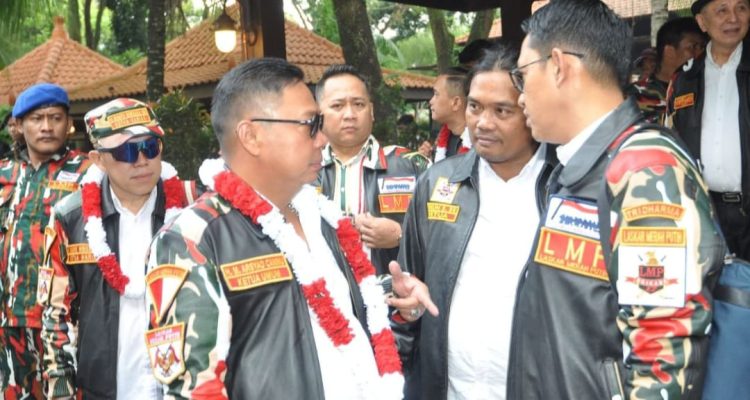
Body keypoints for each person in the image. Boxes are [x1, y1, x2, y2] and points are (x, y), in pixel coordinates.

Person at [144, 58, 433, 399]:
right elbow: (195, 390)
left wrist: (394, 295)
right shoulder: (194, 239)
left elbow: (330, 308)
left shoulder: (322, 217)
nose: (322, 138)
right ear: (251, 136)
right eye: (310, 124)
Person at [508, 1, 723, 398]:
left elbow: (663, 358)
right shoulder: (581, 166)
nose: (519, 96)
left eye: (521, 75)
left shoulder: (646, 169)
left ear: (559, 66)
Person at [396, 43, 557, 399]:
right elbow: (408, 286)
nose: (483, 123)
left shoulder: (565, 187)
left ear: (530, 108)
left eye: (502, 110)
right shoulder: (438, 183)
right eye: (474, 107)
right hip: (450, 388)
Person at [39, 98, 200, 399]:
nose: (141, 160)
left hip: (185, 387)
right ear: (98, 159)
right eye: (126, 151)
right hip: (105, 388)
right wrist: (61, 389)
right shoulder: (71, 217)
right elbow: (54, 315)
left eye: (150, 147)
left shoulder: (195, 207)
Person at [0, 83, 91, 398]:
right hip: (8, 320)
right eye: (37, 118)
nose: (47, 127)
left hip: (63, 324)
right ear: (19, 125)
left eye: (55, 118)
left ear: (69, 124)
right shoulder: (4, 174)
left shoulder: (89, 173)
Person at [316, 64, 420, 277]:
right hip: (321, 294)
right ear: (319, 114)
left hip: (391, 293)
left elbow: (443, 234)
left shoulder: (411, 165)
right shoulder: (300, 173)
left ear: (371, 111)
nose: (349, 114)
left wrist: (401, 235)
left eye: (358, 104)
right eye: (337, 106)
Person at [667, 0, 750, 260]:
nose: (733, 18)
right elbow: (671, 143)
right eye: (722, 10)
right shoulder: (684, 79)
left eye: (741, 8)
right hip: (704, 212)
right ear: (702, 22)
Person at [627, 18, 704, 124]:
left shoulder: (702, 90)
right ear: (669, 52)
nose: (700, 53)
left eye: (702, 47)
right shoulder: (634, 95)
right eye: (693, 47)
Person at [430, 67, 472, 162]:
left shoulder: (478, 146)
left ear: (456, 103)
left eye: (436, 94)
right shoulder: (441, 140)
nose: (431, 101)